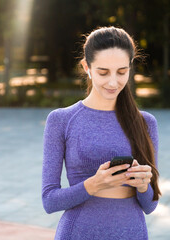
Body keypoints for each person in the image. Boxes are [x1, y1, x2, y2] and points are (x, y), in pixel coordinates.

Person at [41, 26, 161, 240]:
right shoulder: (61, 120)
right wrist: (95, 183)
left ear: (130, 66)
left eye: (122, 72)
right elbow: (49, 201)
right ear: (86, 67)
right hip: (79, 232)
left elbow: (151, 206)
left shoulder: (145, 123)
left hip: (131, 233)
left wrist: (143, 186)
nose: (113, 82)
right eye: (103, 72)